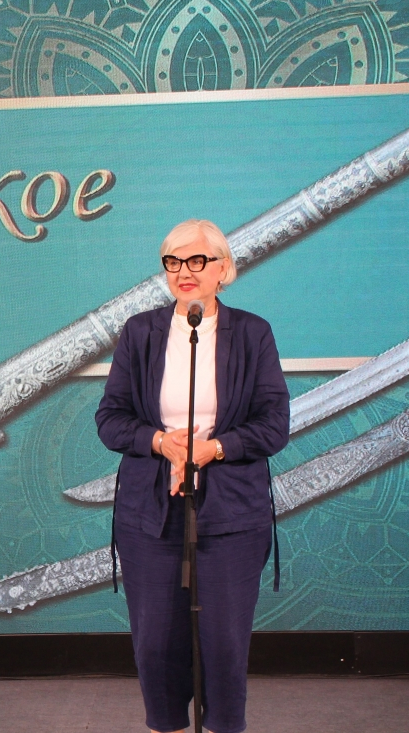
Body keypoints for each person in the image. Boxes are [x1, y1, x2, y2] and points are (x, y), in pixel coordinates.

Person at [95, 219, 290, 733]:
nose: (185, 271)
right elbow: (110, 419)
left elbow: (274, 425)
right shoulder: (140, 332)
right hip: (150, 514)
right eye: (174, 261)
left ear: (224, 269)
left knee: (223, 645)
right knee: (156, 645)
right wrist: (161, 442)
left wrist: (214, 449)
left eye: (198, 260)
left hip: (232, 515)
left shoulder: (253, 333)